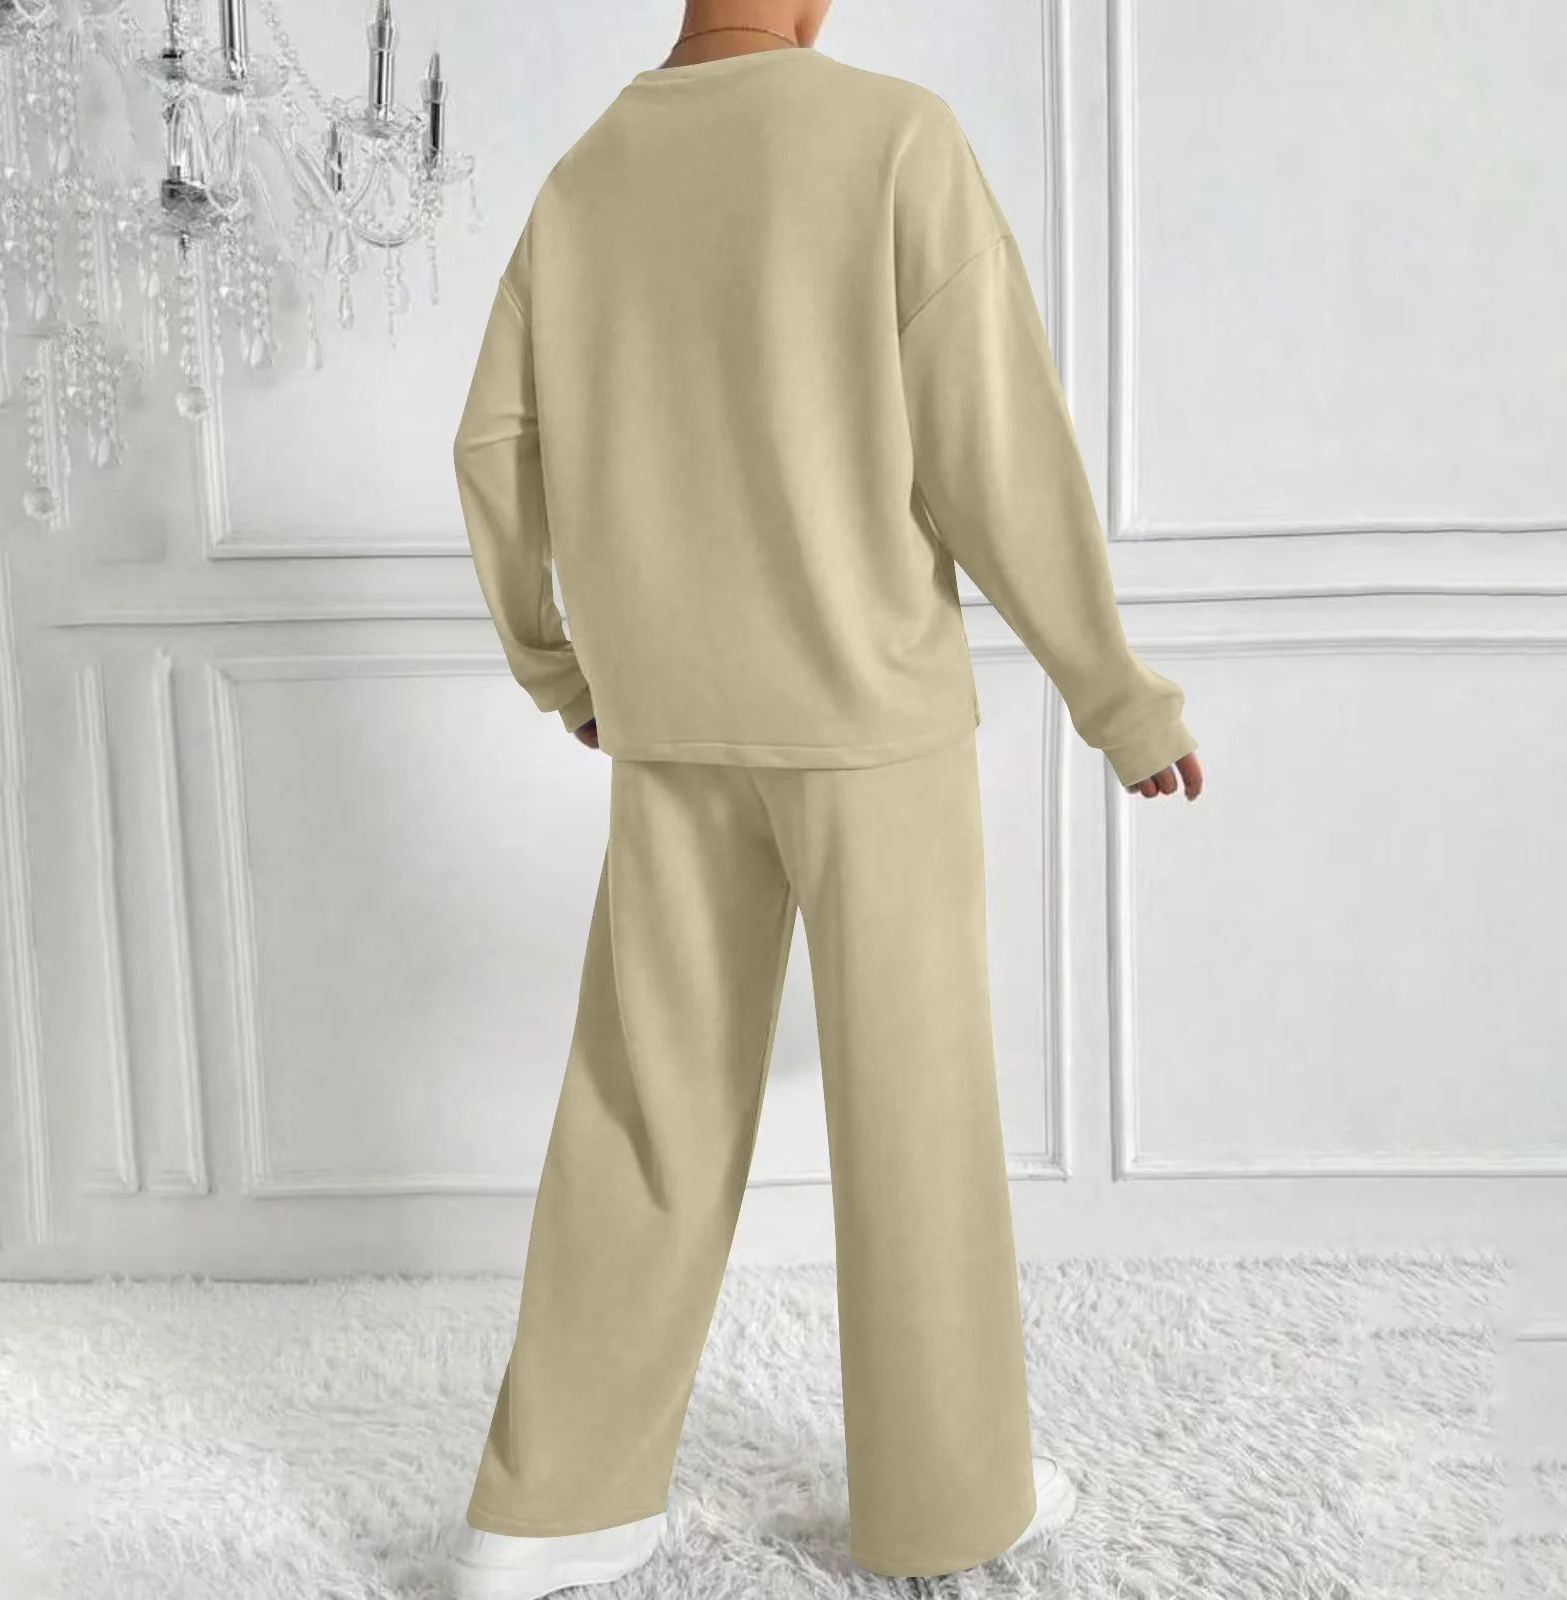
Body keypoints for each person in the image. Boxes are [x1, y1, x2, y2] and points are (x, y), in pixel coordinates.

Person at [446, 1, 1204, 1594]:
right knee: (912, 1107)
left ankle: (545, 1514)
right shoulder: (892, 136)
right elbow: (994, 450)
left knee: (643, 1104)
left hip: (668, 726)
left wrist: (560, 669)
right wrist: (1116, 698)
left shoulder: (587, 174)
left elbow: (495, 447)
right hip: (870, 720)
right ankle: (948, 1505)